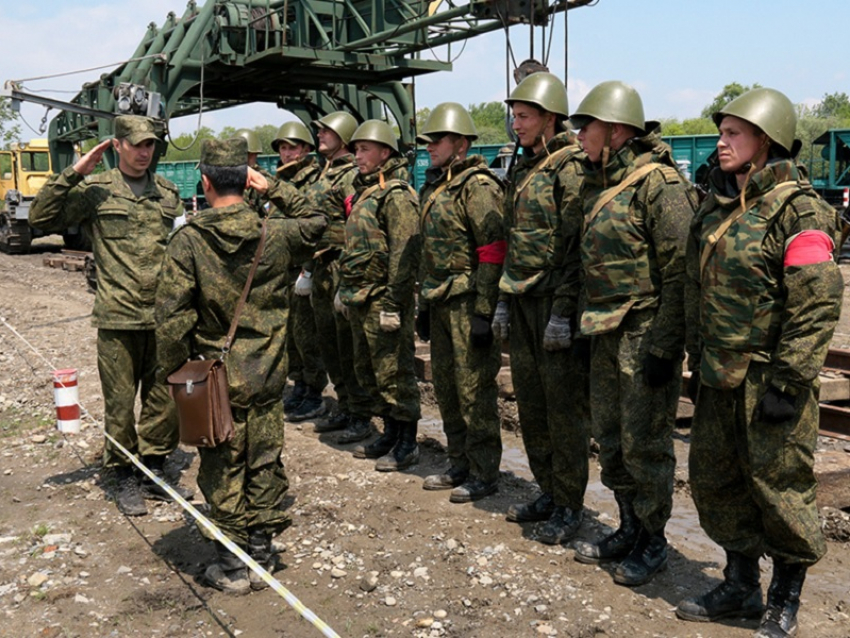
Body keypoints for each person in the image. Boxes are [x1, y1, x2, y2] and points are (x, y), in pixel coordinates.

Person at [676, 88, 843, 638]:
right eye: (721, 133)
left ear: (764, 141)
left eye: (733, 134)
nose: (722, 143)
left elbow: (816, 303)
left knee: (780, 486)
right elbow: (693, 287)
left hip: (769, 378)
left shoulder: (799, 210)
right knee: (717, 479)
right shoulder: (716, 205)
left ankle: (784, 600)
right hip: (719, 374)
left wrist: (791, 381)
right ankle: (740, 585)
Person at [155, 137, 327, 594]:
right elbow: (319, 219)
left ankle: (231, 565)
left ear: (205, 182)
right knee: (265, 459)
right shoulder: (277, 233)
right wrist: (274, 189)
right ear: (248, 180)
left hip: (217, 378)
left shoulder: (188, 240)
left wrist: (173, 375)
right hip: (269, 373)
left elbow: (171, 319)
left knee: (221, 465)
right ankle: (262, 552)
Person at [29, 115, 192, 517]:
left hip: (163, 317)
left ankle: (153, 468)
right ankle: (121, 473)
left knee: (163, 401)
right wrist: (74, 172)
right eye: (136, 144)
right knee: (120, 404)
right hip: (118, 318)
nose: (144, 152)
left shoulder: (168, 193)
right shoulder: (96, 191)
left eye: (150, 145)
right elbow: (40, 219)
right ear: (117, 146)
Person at [568, 81, 697, 585]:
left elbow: (680, 275)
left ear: (616, 130)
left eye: (587, 127)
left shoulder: (659, 186)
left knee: (645, 443)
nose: (579, 137)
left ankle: (653, 540)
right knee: (612, 438)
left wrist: (666, 346)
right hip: (605, 334)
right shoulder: (598, 184)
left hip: (644, 336)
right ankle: (628, 524)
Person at [493, 72, 591, 544]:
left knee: (562, 411)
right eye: (515, 115)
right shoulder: (524, 165)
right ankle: (548, 491)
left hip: (553, 303)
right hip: (524, 299)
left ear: (550, 118)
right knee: (531, 404)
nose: (517, 123)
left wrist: (563, 311)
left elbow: (573, 246)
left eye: (525, 116)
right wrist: (503, 301)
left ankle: (571, 505)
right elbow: (514, 241)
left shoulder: (569, 167)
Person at [412, 102, 505, 502]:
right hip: (441, 301)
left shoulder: (478, 186)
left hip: (468, 303)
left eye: (438, 140)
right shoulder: (434, 187)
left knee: (474, 391)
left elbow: (492, 249)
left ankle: (484, 471)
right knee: (447, 387)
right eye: (428, 141)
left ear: (461, 143)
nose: (429, 147)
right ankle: (458, 461)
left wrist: (485, 311)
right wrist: (424, 308)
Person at [337, 120, 422, 471]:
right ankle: (389, 432)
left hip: (382, 301)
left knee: (394, 373)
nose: (358, 156)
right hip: (360, 299)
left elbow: (404, 254)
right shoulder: (364, 194)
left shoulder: (396, 196)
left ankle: (407, 442)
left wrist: (393, 304)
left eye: (365, 150)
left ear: (385, 153)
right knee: (369, 371)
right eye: (356, 150)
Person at [305, 112, 376, 442]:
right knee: (329, 344)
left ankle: (361, 413)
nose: (319, 134)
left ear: (343, 136)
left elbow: (354, 228)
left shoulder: (349, 177)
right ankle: (346, 405)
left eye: (326, 131)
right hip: (321, 268)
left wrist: (347, 279)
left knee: (348, 346)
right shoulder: (326, 172)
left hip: (340, 266)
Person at [271, 121, 330, 422]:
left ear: (306, 149)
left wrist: (307, 269)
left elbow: (317, 228)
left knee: (308, 335)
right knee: (290, 334)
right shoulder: (280, 181)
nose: (286, 153)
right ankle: (299, 385)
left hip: (306, 268)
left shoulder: (313, 181)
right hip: (283, 269)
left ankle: (315, 391)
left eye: (292, 146)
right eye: (282, 147)